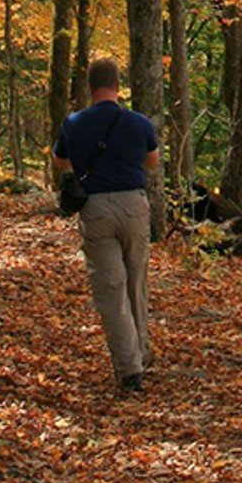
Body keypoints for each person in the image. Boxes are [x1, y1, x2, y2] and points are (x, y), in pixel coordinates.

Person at [53, 58, 161, 393]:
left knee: (111, 289)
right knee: (136, 281)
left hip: (96, 209)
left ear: (90, 86)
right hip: (133, 206)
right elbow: (153, 161)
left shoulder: (74, 122)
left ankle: (130, 369)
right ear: (118, 85)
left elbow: (59, 161)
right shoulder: (138, 123)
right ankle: (140, 352)